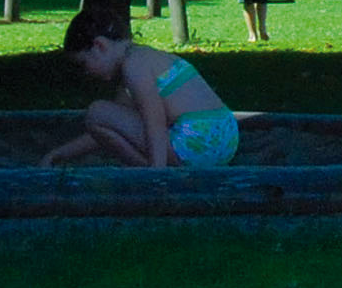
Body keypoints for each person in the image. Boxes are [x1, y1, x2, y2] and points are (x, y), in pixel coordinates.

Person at [41, 10, 237, 169]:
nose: (87, 73)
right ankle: (156, 166)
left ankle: (150, 170)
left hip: (198, 141)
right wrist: (59, 154)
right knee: (101, 116)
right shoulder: (145, 58)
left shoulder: (134, 66)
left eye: (84, 64)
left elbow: (155, 120)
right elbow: (107, 130)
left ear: (99, 45)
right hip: (225, 138)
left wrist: (156, 169)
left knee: (96, 111)